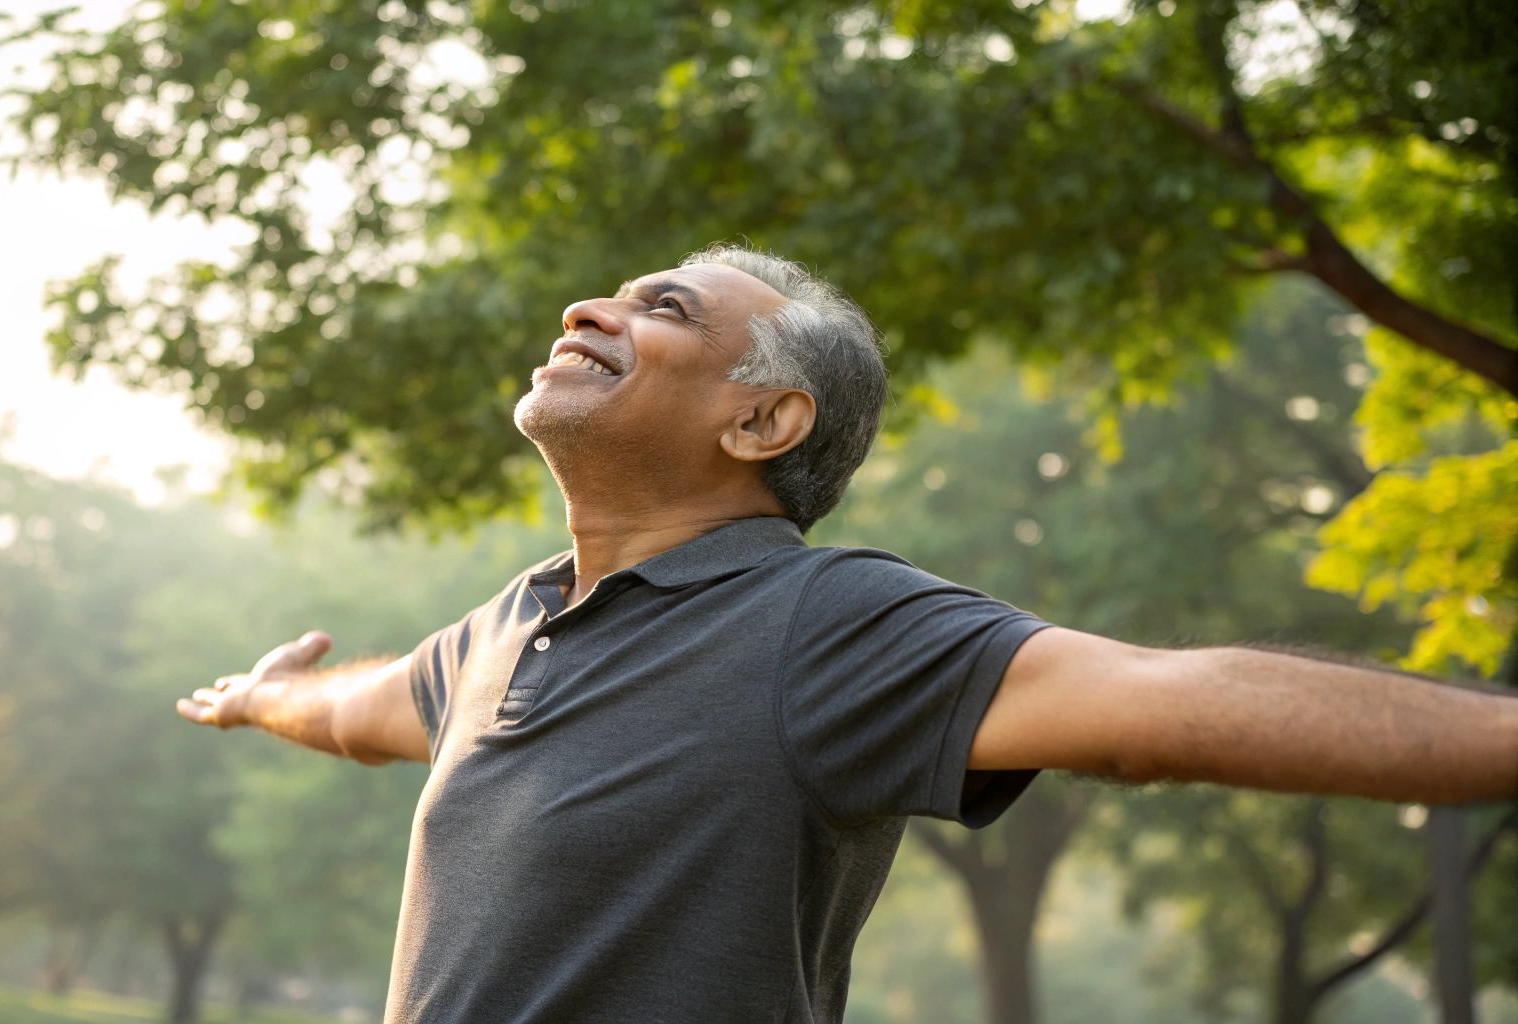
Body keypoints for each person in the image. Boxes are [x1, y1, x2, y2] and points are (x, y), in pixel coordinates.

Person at [178, 245, 1518, 1024]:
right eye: (613, 297)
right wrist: (257, 699)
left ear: (764, 423)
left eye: (666, 310)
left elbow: (1166, 702)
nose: (589, 311)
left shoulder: (824, 626)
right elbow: (357, 718)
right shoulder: (501, 633)